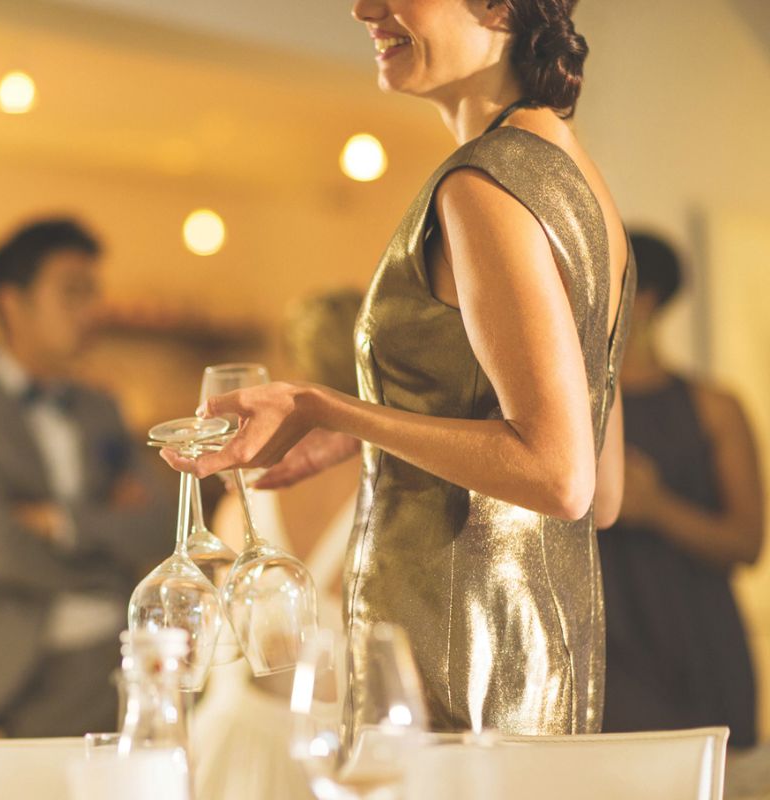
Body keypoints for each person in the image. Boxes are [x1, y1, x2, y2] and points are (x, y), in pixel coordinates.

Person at [164, 0, 634, 735]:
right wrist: (375, 433)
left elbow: (559, 476)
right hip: (541, 672)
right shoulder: (582, 183)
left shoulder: (482, 184)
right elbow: (603, 493)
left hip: (453, 675)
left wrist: (327, 407)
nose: (363, 8)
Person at [0, 217, 173, 737]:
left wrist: (65, 524)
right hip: (14, 673)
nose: (92, 310)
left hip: (115, 661)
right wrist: (108, 568)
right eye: (72, 293)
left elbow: (161, 523)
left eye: (94, 292)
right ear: (13, 303)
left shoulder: (101, 407)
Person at [192, 289, 365, 800]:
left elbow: (223, 641)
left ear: (293, 372)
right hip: (341, 755)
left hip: (234, 748)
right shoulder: (393, 492)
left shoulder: (244, 496)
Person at [599, 233, 763, 748]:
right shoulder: (576, 408)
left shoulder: (714, 408)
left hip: (699, 642)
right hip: (607, 649)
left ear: (644, 299)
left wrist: (656, 508)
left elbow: (747, 543)